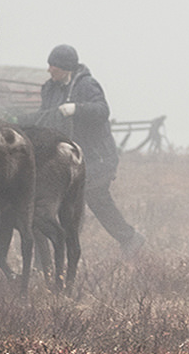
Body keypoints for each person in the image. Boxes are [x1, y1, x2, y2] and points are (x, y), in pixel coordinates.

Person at [34, 43, 141, 252]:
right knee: (81, 200)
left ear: (64, 67)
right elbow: (44, 116)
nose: (49, 69)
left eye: (52, 65)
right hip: (72, 157)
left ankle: (125, 239)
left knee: (89, 196)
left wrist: (77, 109)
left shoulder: (86, 85)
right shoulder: (49, 88)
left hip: (99, 157)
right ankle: (128, 239)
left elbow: (102, 110)